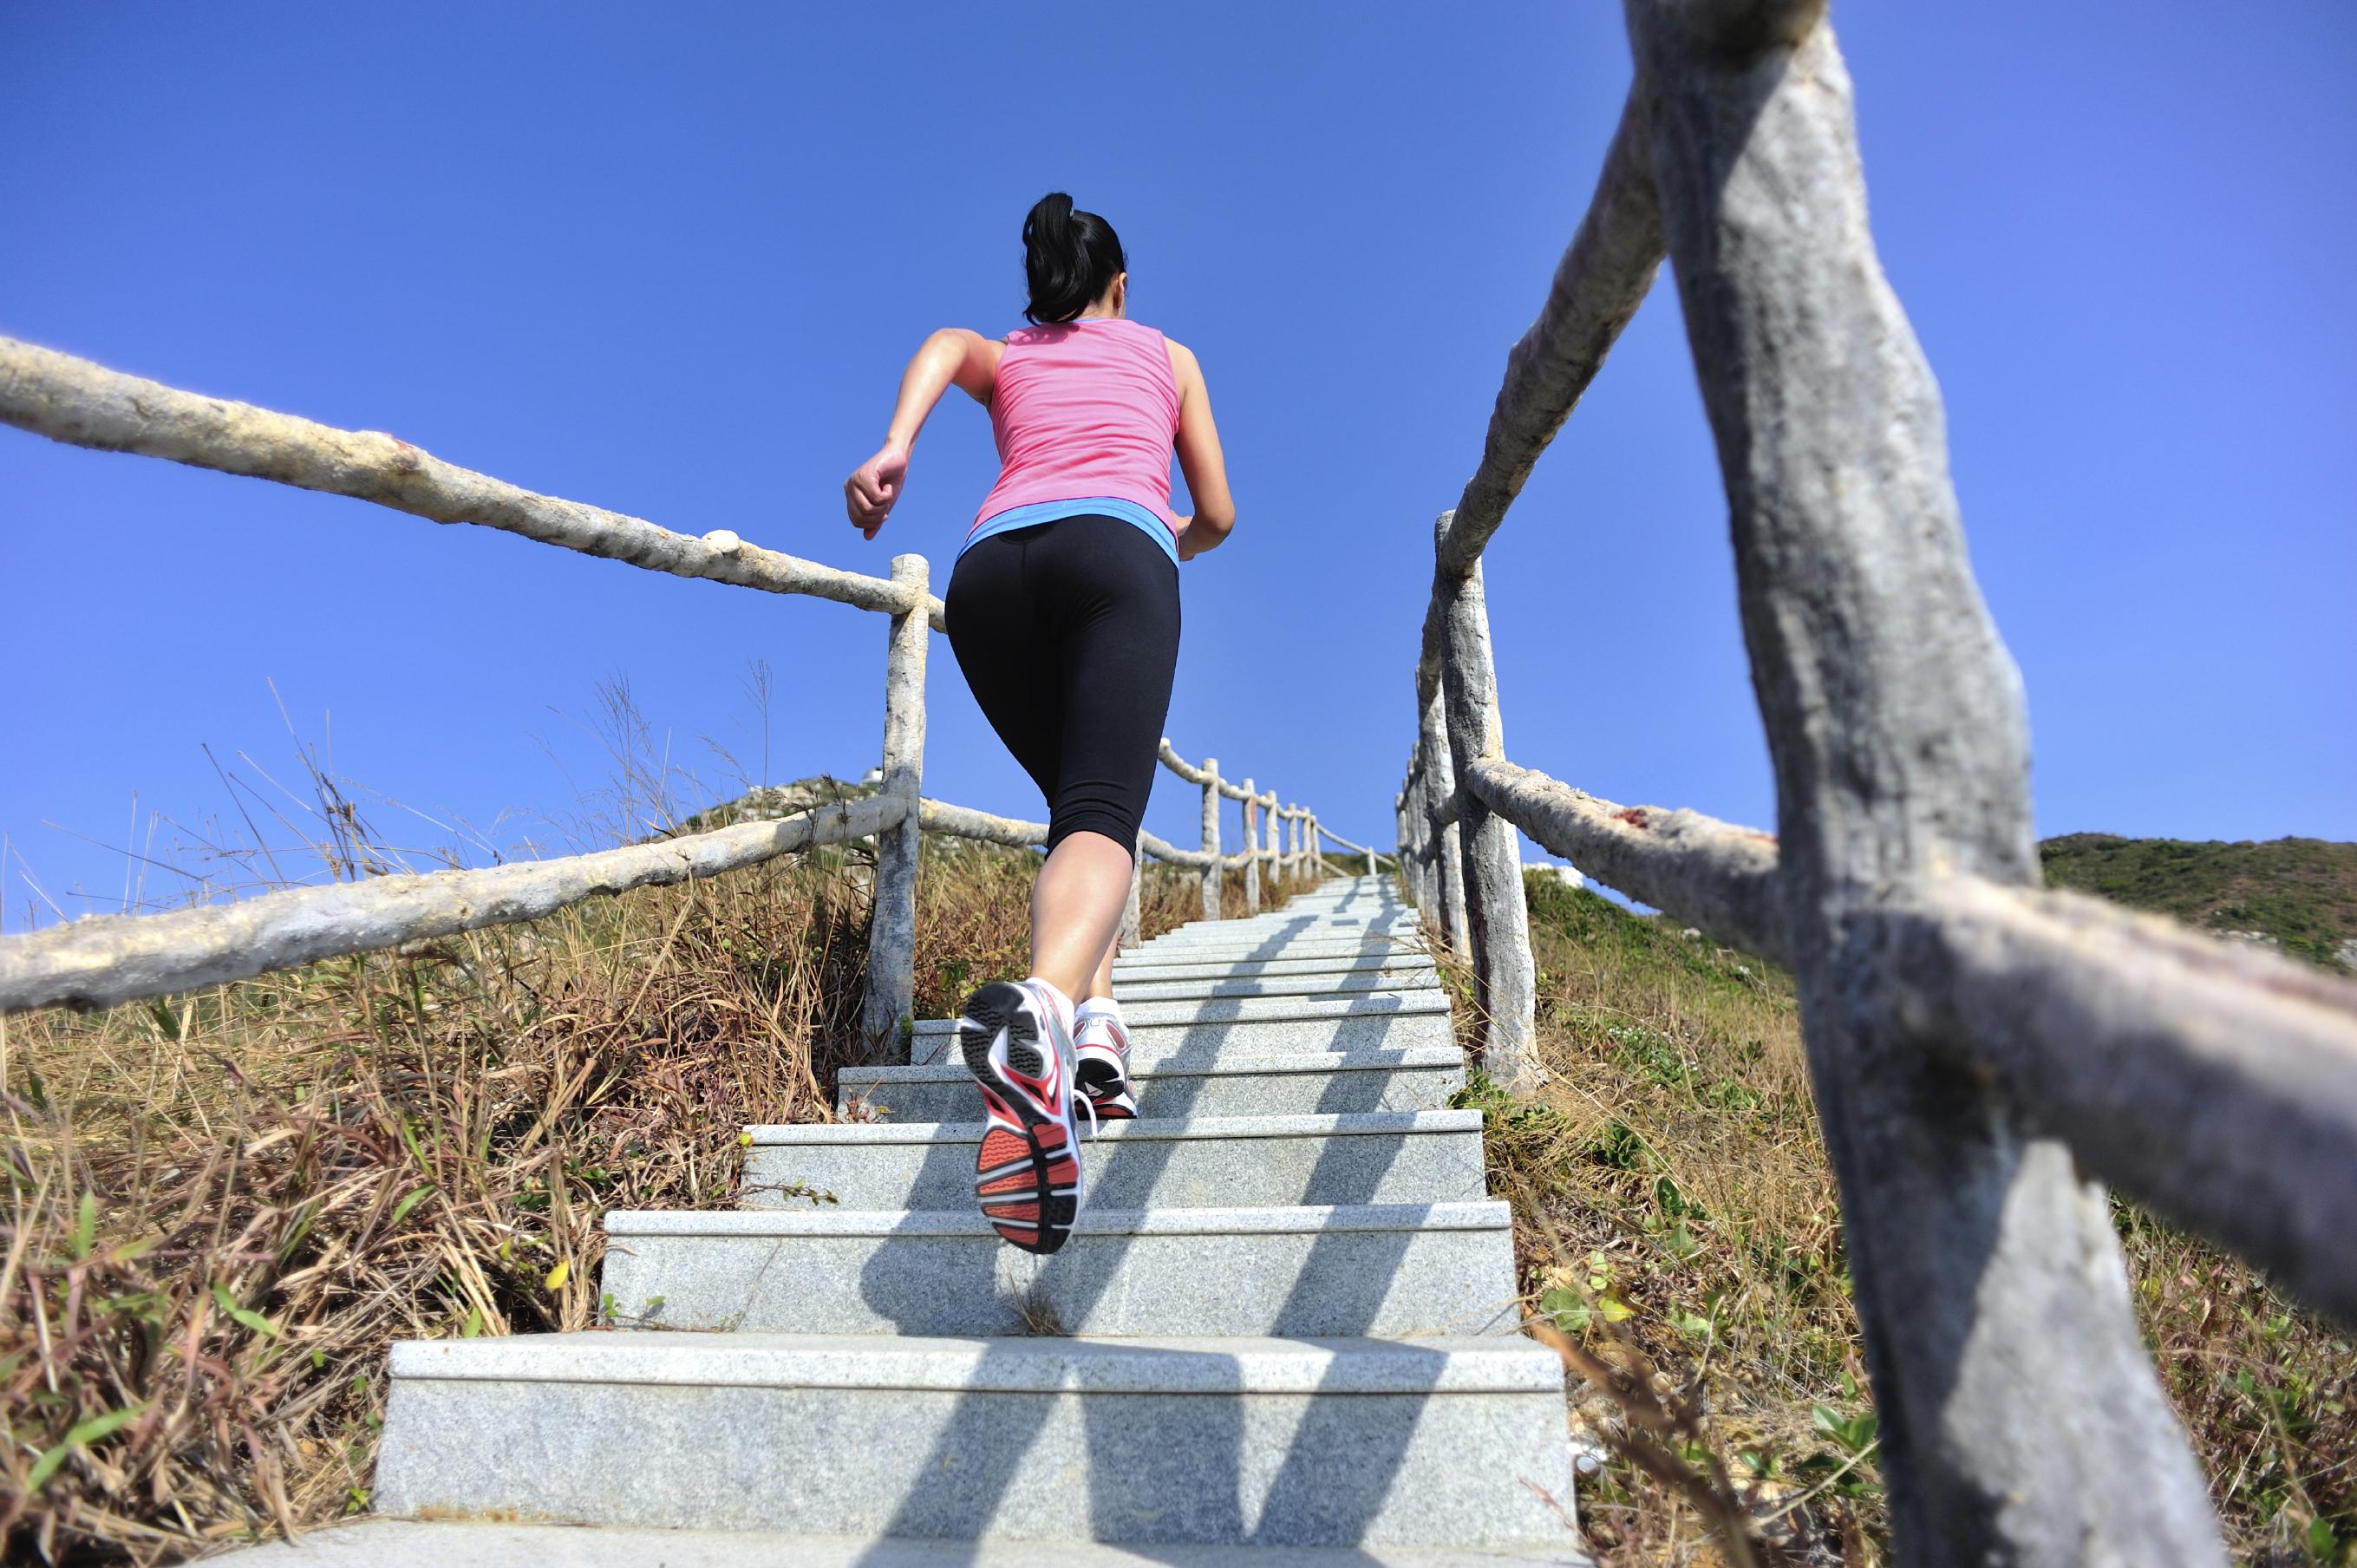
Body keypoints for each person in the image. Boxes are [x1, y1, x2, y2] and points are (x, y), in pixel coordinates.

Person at [843, 193, 1236, 1255]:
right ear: (1120, 286)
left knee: (1075, 808)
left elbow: (943, 343)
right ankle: (1048, 1012)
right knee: (1106, 810)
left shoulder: (1011, 352)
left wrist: (894, 447)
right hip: (1116, 554)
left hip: (990, 576)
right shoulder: (1170, 355)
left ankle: (1097, 1037)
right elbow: (1219, 512)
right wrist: (1168, 537)